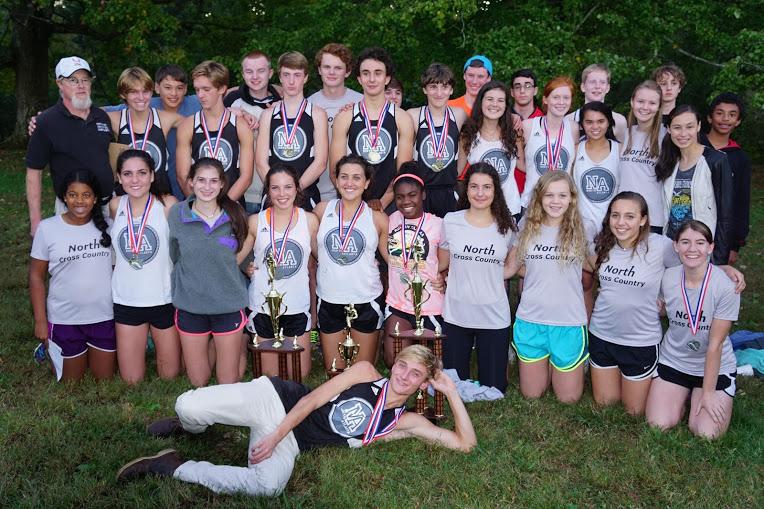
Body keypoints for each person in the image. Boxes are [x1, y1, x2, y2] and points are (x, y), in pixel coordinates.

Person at [116, 345, 476, 496]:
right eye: (402, 366)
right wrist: (274, 435)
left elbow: (465, 445)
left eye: (415, 375)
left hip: (292, 441)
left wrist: (453, 393)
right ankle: (187, 426)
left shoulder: (405, 421)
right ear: (394, 364)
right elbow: (312, 399)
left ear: (423, 385)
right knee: (187, 406)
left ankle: (173, 466)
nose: (404, 376)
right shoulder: (366, 372)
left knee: (267, 486)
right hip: (275, 400)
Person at [589, 194, 744, 415]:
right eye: (616, 215)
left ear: (643, 220)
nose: (621, 222)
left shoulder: (660, 246)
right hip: (602, 334)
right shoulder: (602, 244)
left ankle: (683, 394)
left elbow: (692, 259)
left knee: (634, 411)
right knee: (606, 405)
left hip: (640, 341)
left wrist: (723, 269)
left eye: (630, 216)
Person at [645, 220, 740, 439]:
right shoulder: (668, 277)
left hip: (713, 367)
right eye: (685, 242)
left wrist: (708, 393)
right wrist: (659, 308)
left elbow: (715, 345)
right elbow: (664, 308)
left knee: (707, 433)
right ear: (676, 246)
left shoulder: (726, 286)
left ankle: (701, 393)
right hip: (675, 361)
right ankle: (682, 394)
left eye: (700, 243)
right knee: (658, 424)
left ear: (711, 247)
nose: (692, 249)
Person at [511, 171, 592, 403]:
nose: (555, 201)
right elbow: (513, 266)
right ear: (539, 198)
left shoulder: (583, 229)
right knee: (532, 395)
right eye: (549, 195)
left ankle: (560, 366)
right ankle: (544, 364)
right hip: (531, 319)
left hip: (567, 322)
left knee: (568, 399)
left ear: (572, 198)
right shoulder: (526, 228)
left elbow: (597, 264)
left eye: (562, 195)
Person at [168, 158, 250, 387]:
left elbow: (241, 254)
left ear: (222, 184)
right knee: (198, 381)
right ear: (191, 183)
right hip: (191, 305)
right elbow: (175, 254)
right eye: (201, 180)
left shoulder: (235, 214)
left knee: (228, 382)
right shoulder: (177, 214)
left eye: (214, 181)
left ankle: (239, 344)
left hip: (228, 305)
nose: (207, 187)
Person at [29, 169, 115, 381]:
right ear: (64, 197)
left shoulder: (109, 227)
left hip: (104, 316)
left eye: (86, 195)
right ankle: (49, 344)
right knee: (70, 383)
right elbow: (36, 277)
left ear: (95, 199)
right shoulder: (48, 229)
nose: (80, 201)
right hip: (65, 318)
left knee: (103, 379)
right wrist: (41, 321)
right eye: (73, 194)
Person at [438, 163, 518, 393]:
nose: (480, 193)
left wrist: (494, 274)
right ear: (466, 190)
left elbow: (512, 263)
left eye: (486, 187)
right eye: (474, 187)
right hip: (456, 314)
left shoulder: (507, 225)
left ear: (495, 191)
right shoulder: (451, 221)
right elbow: (443, 262)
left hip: (493, 315)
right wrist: (437, 277)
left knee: (494, 389)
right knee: (453, 387)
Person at [109, 150, 181, 384]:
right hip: (127, 300)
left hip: (163, 298)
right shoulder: (115, 206)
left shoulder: (168, 205)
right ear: (119, 177)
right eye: (127, 174)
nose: (135, 180)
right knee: (131, 379)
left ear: (152, 175)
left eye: (141, 173)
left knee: (169, 376)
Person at [242, 165, 319, 379]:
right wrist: (247, 267)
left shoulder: (309, 220)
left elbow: (321, 259)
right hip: (263, 306)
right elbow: (237, 256)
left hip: (296, 305)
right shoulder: (256, 221)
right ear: (268, 190)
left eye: (287, 187)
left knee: (299, 375)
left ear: (297, 189)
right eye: (275, 188)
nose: (282, 194)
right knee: (268, 377)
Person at [313, 155, 388, 371]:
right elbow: (311, 247)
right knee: (334, 371)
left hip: (365, 299)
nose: (349, 183)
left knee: (362, 371)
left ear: (366, 183)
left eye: (357, 178)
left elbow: (392, 261)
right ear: (336, 181)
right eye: (344, 177)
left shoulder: (377, 218)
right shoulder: (321, 210)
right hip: (329, 298)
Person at [26, 56, 114, 237]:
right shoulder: (46, 122)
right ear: (60, 83)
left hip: (106, 207)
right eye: (73, 80)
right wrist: (36, 222)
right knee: (71, 264)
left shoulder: (102, 117)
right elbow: (34, 173)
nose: (81, 85)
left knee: (110, 263)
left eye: (85, 80)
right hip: (71, 211)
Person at [330, 47, 415, 211]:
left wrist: (382, 202)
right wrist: (356, 201)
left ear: (387, 78)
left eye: (378, 73)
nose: (372, 79)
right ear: (359, 78)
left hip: (390, 203)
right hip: (351, 201)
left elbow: (402, 172)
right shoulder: (345, 117)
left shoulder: (402, 118)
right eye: (366, 73)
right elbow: (335, 171)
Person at [103, 64, 202, 200]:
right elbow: (86, 112)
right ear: (123, 94)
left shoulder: (166, 118)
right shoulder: (113, 119)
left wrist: (232, 112)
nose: (141, 97)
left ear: (151, 91)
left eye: (145, 91)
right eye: (133, 92)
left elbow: (204, 123)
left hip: (160, 196)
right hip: (127, 196)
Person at [656, 105, 734, 265]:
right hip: (671, 245)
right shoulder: (669, 162)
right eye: (677, 127)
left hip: (700, 249)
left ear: (698, 126)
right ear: (669, 129)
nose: (683, 134)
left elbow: (725, 215)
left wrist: (719, 260)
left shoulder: (716, 160)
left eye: (689, 127)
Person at [383, 170, 444, 366]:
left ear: (423, 194)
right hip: (398, 302)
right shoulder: (389, 220)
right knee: (394, 360)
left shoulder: (439, 224)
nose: (405, 201)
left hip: (429, 303)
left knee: (432, 365)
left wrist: (444, 276)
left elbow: (446, 262)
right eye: (399, 197)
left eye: (412, 195)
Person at [255, 52, 328, 211]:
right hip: (273, 195)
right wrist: (277, 191)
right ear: (280, 77)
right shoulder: (268, 114)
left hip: (305, 193)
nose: (291, 81)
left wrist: (294, 190)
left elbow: (320, 162)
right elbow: (261, 162)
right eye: (286, 75)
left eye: (297, 75)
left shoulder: (317, 114)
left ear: (306, 78)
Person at [175, 61, 255, 205]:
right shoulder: (187, 126)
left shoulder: (240, 125)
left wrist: (222, 208)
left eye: (206, 89)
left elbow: (246, 176)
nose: (200, 95)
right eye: (197, 89)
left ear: (222, 88)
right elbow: (183, 176)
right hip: (197, 205)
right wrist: (201, 206)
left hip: (231, 203)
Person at [406, 63, 466, 217]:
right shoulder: (413, 115)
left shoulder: (459, 115)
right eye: (433, 87)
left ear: (451, 90)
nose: (439, 93)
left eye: (444, 87)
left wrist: (457, 172)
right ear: (425, 89)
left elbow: (465, 144)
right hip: (421, 190)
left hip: (448, 190)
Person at [458, 81, 525, 219]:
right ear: (480, 102)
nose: (495, 104)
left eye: (500, 100)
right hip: (479, 209)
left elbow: (522, 165)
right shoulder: (468, 134)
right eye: (490, 99)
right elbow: (458, 172)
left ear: (506, 105)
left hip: (510, 208)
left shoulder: (513, 133)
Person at [308, 43, 364, 202]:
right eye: (326, 67)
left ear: (347, 72)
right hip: (318, 191)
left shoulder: (361, 103)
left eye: (338, 68)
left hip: (354, 190)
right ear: (319, 70)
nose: (331, 72)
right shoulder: (308, 105)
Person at [701, 92, 751, 265]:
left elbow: (741, 201)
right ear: (709, 117)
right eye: (719, 113)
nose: (725, 119)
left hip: (721, 230)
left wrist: (735, 245)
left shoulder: (739, 158)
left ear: (738, 121)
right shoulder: (694, 145)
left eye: (732, 114)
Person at [520, 76, 578, 210]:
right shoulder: (528, 126)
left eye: (566, 97)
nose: (561, 102)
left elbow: (573, 165)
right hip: (532, 201)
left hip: (561, 205)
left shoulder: (574, 128)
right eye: (556, 97)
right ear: (546, 99)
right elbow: (518, 161)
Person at [618, 80, 666, 233]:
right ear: (632, 102)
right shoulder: (624, 135)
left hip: (652, 219)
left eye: (652, 103)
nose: (645, 107)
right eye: (640, 101)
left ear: (659, 107)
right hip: (623, 218)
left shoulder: (667, 137)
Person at [572, 101, 621, 228]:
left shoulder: (620, 150)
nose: (595, 126)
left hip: (614, 227)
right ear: (582, 125)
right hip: (582, 226)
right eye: (589, 122)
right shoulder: (575, 150)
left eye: (600, 121)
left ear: (609, 122)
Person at [568, 63, 627, 142]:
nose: (597, 86)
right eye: (592, 82)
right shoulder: (569, 120)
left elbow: (621, 152)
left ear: (607, 88)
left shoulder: (619, 121)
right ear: (583, 87)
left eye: (602, 82)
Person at [509, 68, 543, 195]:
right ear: (512, 92)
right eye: (517, 87)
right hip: (507, 189)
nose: (522, 91)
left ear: (535, 90)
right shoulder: (502, 118)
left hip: (535, 189)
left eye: (527, 86)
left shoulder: (544, 120)